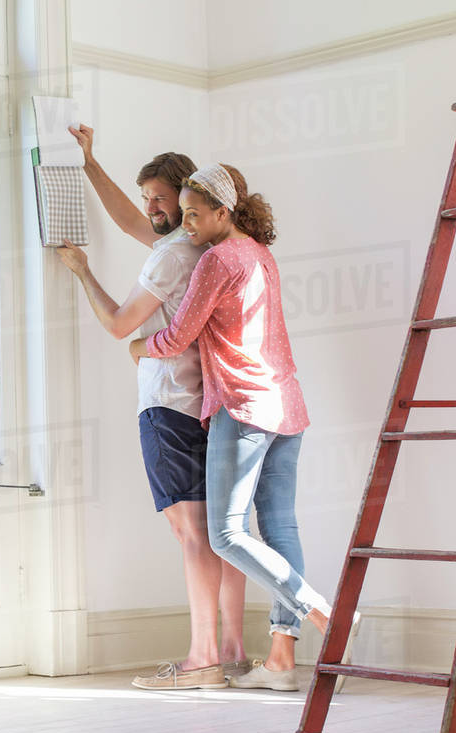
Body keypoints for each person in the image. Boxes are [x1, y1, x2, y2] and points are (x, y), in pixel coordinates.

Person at [128, 163, 337, 691]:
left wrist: (137, 347)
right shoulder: (261, 255)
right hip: (287, 403)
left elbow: (177, 336)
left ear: (224, 212)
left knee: (223, 534)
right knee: (281, 529)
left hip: (242, 407)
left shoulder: (218, 259)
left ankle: (319, 610)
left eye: (195, 215)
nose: (188, 225)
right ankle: (282, 664)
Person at [57, 126, 248, 690]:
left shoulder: (171, 257)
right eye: (149, 200)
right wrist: (90, 163)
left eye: (161, 199)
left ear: (188, 201)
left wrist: (82, 272)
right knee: (222, 533)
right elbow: (128, 221)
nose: (152, 210)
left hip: (168, 405)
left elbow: (120, 325)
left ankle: (201, 658)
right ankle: (232, 652)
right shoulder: (209, 248)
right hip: (210, 404)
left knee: (194, 536)